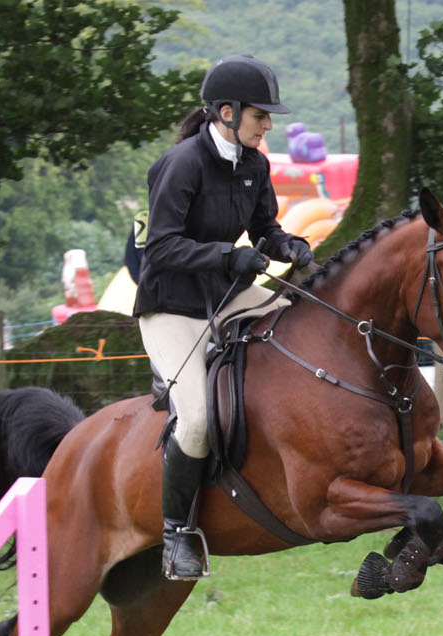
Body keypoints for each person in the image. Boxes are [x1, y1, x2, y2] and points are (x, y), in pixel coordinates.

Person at [133, 54, 315, 581]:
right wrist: (224, 257)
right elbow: (162, 249)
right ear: (228, 112)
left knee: (300, 330)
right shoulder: (182, 164)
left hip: (225, 295)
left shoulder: (254, 165)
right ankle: (177, 533)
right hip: (171, 306)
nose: (269, 124)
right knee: (197, 419)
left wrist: (289, 245)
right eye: (262, 115)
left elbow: (264, 230)